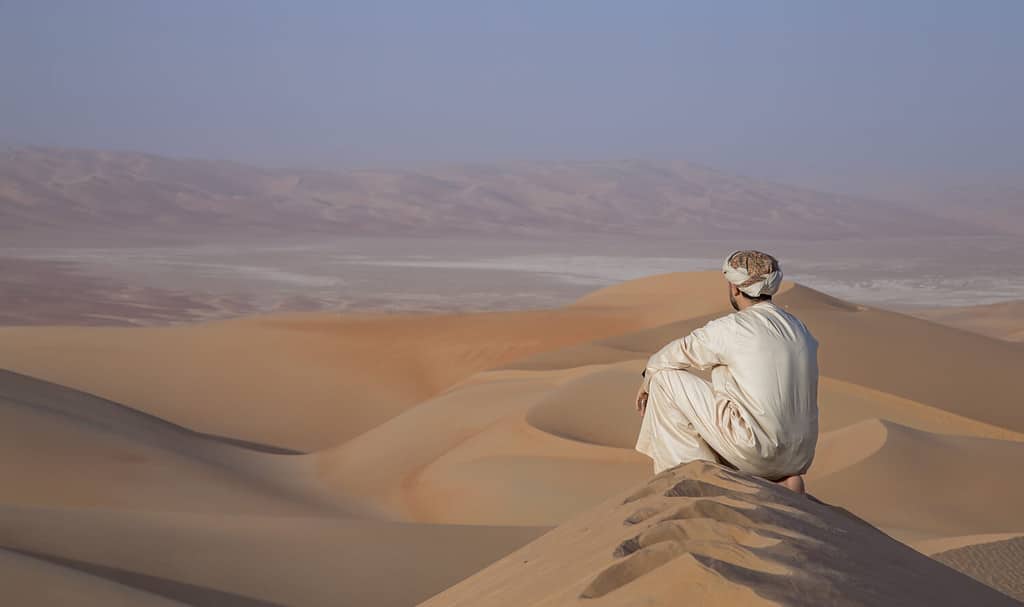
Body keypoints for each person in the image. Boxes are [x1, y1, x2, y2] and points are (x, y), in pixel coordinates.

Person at [634, 250, 818, 493]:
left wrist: (647, 378)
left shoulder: (734, 328)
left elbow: (674, 354)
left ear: (734, 287)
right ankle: (777, 480)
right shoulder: (799, 329)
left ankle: (697, 480)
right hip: (798, 457)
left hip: (755, 449)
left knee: (662, 379)